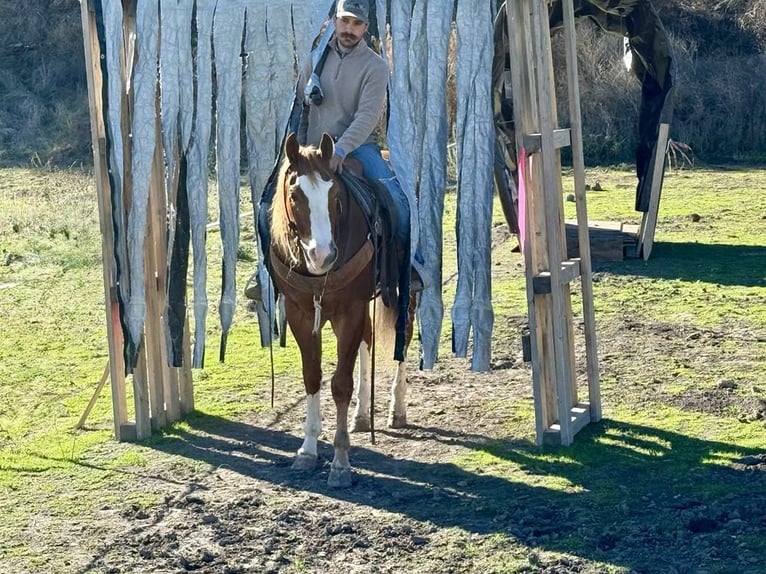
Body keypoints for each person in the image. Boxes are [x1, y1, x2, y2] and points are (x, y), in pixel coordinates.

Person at [245, 0, 421, 302]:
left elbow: (366, 117)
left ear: (365, 28)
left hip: (357, 148)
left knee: (399, 206)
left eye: (356, 24)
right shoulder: (315, 58)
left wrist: (340, 150)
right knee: (266, 207)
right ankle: (266, 275)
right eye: (344, 21)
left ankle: (406, 270)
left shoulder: (376, 67)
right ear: (335, 20)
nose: (349, 29)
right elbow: (299, 104)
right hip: (312, 151)